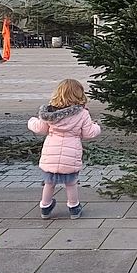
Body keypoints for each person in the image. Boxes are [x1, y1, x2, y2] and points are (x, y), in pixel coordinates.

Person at [27, 78, 101, 219]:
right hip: (71, 153)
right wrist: (96, 126)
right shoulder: (82, 113)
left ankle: (45, 207)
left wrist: (32, 122)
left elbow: (41, 129)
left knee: (49, 183)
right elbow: (88, 133)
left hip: (51, 152)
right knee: (71, 183)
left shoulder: (49, 112)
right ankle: (74, 208)